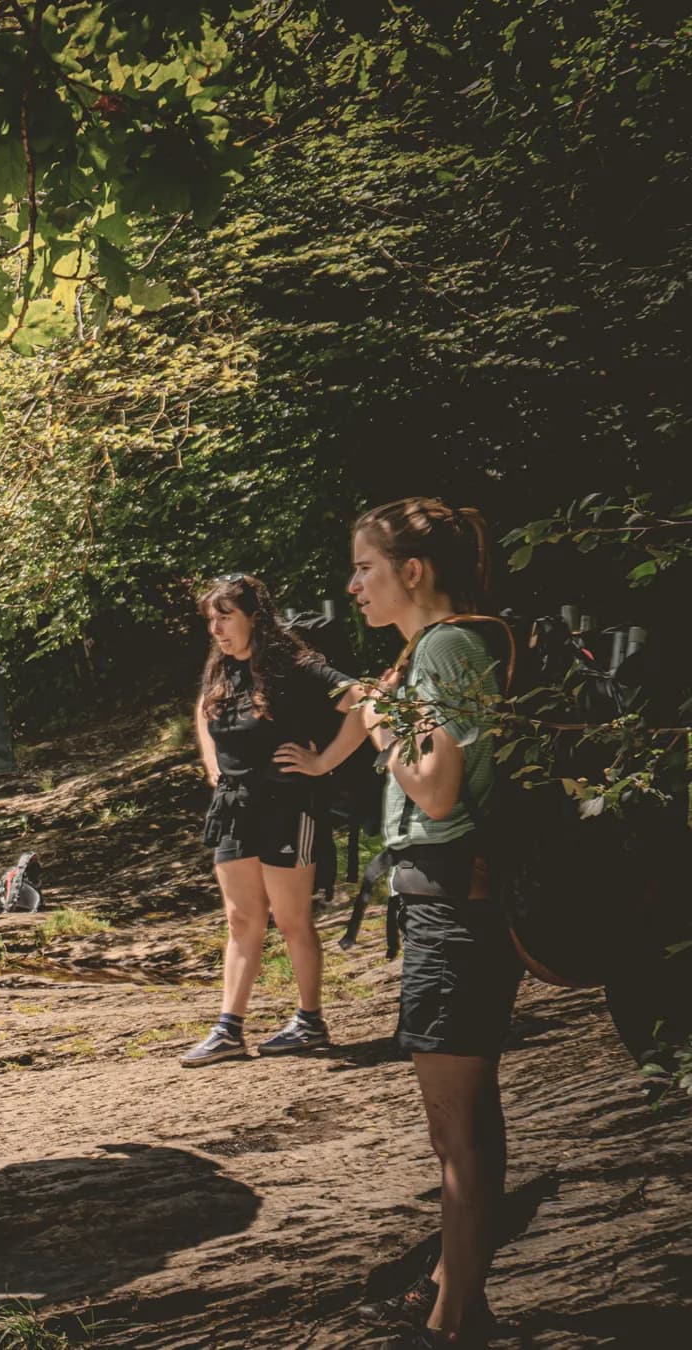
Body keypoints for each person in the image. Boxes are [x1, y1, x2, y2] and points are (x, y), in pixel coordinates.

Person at [343, 498, 515, 1349]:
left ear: (413, 572)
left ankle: (454, 1320)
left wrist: (380, 724)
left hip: (453, 902)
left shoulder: (449, 645)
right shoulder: (449, 646)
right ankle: (456, 1294)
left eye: (365, 568)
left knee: (454, 1126)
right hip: (452, 899)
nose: (353, 586)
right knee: (469, 1114)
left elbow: (437, 787)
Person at [183, 574, 369, 1066]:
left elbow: (364, 701)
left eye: (225, 617)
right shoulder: (221, 668)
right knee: (241, 918)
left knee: (290, 920)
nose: (216, 629)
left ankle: (309, 1020)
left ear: (253, 618)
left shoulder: (295, 666)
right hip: (234, 809)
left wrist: (324, 762)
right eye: (211, 619)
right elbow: (203, 713)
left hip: (290, 807)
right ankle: (228, 1030)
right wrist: (212, 766)